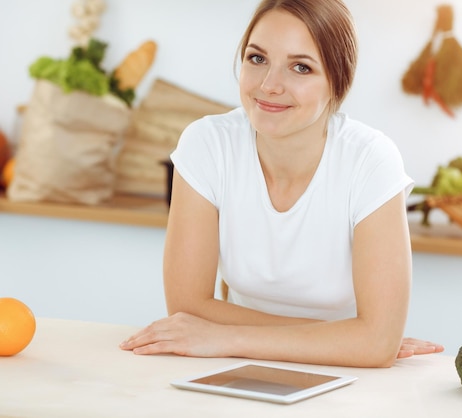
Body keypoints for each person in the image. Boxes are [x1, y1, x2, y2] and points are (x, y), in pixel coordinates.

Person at [120, 0, 443, 367]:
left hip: (340, 376)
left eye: (301, 67)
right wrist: (350, 338)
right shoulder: (207, 144)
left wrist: (226, 335)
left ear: (338, 83)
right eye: (257, 59)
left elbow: (376, 344)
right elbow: (187, 310)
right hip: (232, 362)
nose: (269, 85)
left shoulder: (371, 160)